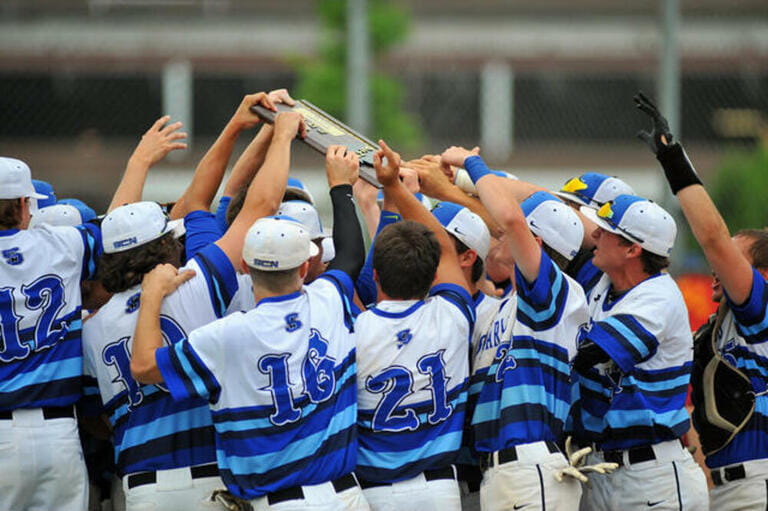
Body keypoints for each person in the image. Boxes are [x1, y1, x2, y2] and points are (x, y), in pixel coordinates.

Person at [82, 94, 307, 511]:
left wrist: (243, 127)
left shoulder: (92, 326)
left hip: (141, 486)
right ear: (166, 245)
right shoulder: (196, 282)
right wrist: (280, 138)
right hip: (208, 475)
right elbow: (259, 206)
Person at [130, 145, 368, 510]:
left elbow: (145, 367)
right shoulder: (329, 299)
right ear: (305, 267)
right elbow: (352, 255)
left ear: (243, 263)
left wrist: (151, 297)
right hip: (345, 496)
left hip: (275, 502)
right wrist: (340, 185)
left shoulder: (226, 335)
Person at [635, 91, 768, 510]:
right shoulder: (720, 325)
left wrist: (673, 158)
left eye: (733, 258)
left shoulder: (760, 309)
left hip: (756, 483)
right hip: (727, 485)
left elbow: (710, 237)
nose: (717, 264)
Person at [442, 147, 593, 511]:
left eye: (510, 234)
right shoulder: (504, 305)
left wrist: (470, 164)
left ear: (535, 245)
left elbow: (510, 219)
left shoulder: (555, 293)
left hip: (530, 468)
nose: (500, 237)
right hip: (506, 472)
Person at [565, 191, 709, 510]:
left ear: (632, 249)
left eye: (607, 231)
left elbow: (587, 353)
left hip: (651, 473)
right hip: (599, 469)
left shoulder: (658, 295)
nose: (596, 234)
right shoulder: (604, 282)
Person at [352, 141, 475, 511]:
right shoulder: (453, 315)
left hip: (375, 491)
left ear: (375, 275)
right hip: (440, 489)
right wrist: (397, 188)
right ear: (432, 274)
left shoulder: (354, 328)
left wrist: (386, 192)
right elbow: (444, 247)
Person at [0, 156, 102, 511]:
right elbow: (120, 223)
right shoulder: (62, 246)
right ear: (25, 205)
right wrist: (141, 159)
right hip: (57, 432)